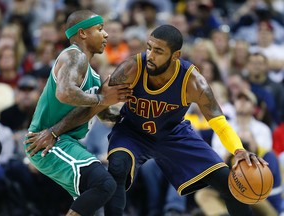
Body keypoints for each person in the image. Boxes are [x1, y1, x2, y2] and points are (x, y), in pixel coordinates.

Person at [25, 25, 267, 216]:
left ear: (176, 56)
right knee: (117, 168)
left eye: (158, 51)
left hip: (172, 134)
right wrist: (55, 131)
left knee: (228, 181)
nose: (150, 55)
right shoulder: (131, 67)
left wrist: (237, 150)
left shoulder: (194, 82)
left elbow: (219, 122)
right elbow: (98, 101)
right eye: (149, 47)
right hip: (132, 131)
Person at [23, 10, 132, 216]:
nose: (106, 34)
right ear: (82, 33)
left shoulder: (94, 76)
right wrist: (102, 98)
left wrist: (127, 113)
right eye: (100, 29)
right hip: (47, 140)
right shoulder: (74, 55)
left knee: (107, 190)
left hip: (66, 141)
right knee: (104, 184)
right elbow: (65, 93)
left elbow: (99, 113)